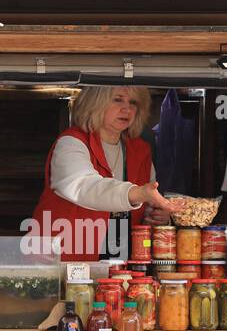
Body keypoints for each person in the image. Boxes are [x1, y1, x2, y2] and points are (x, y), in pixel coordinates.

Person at [30, 85, 180, 260]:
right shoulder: (71, 142)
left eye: (133, 102)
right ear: (95, 103)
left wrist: (155, 216)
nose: (127, 108)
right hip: (65, 259)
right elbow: (83, 187)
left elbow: (147, 204)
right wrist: (137, 193)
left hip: (119, 261)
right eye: (118, 100)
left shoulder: (140, 150)